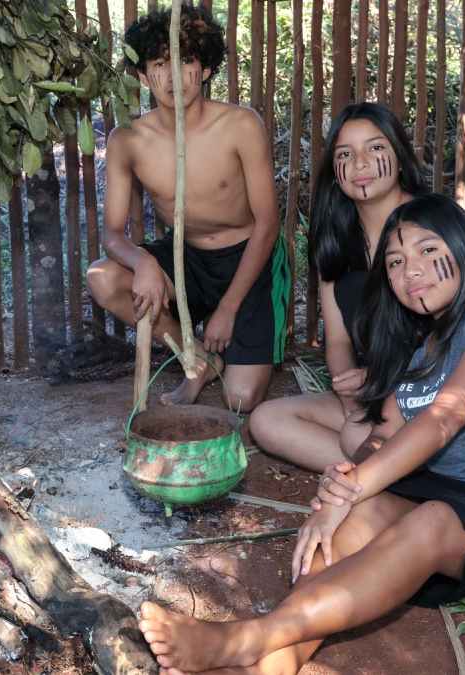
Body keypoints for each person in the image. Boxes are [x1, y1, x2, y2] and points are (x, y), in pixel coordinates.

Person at [138, 194, 465, 675]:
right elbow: (384, 434)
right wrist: (343, 485)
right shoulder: (426, 349)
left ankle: (248, 638)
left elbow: (445, 418)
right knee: (352, 516)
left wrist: (351, 488)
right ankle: (274, 664)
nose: (412, 271)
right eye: (396, 262)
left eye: (428, 250)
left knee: (429, 520)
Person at [86, 4, 285, 412]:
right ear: (142, 75)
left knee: (240, 400)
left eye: (186, 61)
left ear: (206, 69)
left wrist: (228, 309)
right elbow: (111, 234)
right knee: (104, 279)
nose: (173, 76)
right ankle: (195, 358)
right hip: (184, 258)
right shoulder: (128, 141)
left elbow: (268, 224)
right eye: (159, 64)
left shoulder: (241, 125)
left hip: (247, 256)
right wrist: (142, 261)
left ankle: (230, 350)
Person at [248, 103, 426, 471]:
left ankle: (384, 476)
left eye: (375, 148)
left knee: (355, 438)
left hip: (429, 395)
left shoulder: (432, 226)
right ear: (335, 170)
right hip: (371, 393)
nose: (360, 164)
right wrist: (351, 400)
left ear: (399, 154)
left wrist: (383, 383)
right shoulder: (336, 236)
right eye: (346, 154)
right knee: (266, 421)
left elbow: (458, 338)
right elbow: (339, 343)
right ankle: (389, 480)